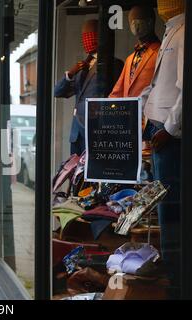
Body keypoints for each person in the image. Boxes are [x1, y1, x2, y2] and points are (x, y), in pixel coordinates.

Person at [140, 0, 184, 299]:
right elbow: (159, 83)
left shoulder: (183, 32)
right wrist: (142, 104)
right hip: (156, 126)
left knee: (170, 203)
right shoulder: (172, 30)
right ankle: (170, 268)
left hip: (169, 133)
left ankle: (175, 276)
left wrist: (169, 128)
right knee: (162, 199)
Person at [54, 19, 124, 156]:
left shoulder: (113, 64)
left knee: (93, 173)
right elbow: (58, 91)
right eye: (84, 36)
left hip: (96, 130)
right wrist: (70, 74)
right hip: (76, 133)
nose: (87, 40)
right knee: (77, 174)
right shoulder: (81, 67)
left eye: (90, 35)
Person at [109, 5, 161, 158]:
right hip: (128, 128)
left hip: (151, 126)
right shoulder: (130, 59)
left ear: (150, 22)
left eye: (138, 21)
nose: (135, 26)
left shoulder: (161, 52)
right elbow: (117, 92)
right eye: (131, 22)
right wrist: (104, 112)